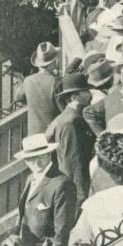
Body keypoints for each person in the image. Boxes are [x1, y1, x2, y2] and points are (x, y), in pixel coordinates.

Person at [14, 133, 77, 246]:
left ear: (49, 154)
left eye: (40, 156)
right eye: (31, 158)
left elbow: (62, 230)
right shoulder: (30, 178)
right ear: (25, 161)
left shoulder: (62, 184)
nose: (36, 161)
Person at [46, 72, 96, 205]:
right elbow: (74, 162)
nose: (90, 95)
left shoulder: (69, 117)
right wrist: (81, 196)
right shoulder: (71, 123)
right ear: (75, 97)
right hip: (77, 190)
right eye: (86, 92)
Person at [14, 42, 61, 136]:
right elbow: (63, 110)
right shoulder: (56, 82)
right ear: (54, 62)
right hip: (52, 134)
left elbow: (18, 98)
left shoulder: (28, 80)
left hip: (33, 133)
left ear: (38, 64)